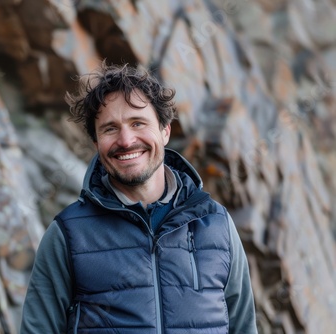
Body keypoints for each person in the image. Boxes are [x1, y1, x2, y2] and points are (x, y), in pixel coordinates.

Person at [21, 63, 257, 333]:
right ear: (96, 143)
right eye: (110, 129)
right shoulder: (68, 235)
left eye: (138, 123)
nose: (126, 140)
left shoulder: (217, 226)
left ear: (165, 131)